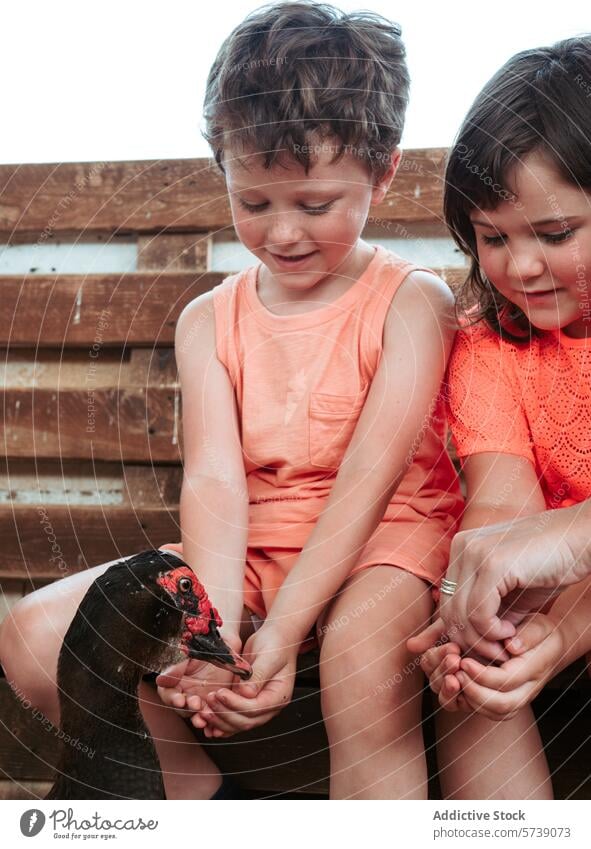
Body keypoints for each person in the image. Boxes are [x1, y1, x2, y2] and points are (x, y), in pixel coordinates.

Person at [0, 2, 547, 800]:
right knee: (36, 633)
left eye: (314, 205)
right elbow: (217, 485)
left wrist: (286, 628)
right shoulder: (206, 321)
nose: (283, 233)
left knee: (362, 660)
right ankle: (194, 795)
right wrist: (211, 633)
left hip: (386, 548)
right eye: (253, 203)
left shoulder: (410, 302)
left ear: (383, 171)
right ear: (222, 167)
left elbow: (370, 478)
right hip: (250, 553)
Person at [408, 35, 591, 723]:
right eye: (492, 238)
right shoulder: (490, 345)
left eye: (552, 233)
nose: (519, 267)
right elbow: (499, 507)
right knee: (471, 675)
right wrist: (472, 617)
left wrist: (564, 628)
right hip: (555, 592)